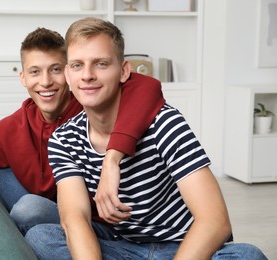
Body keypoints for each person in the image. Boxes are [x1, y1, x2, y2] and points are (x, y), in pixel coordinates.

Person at [24, 17, 267, 259]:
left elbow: (215, 222)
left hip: (182, 245)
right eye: (77, 65)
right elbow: (75, 219)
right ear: (67, 74)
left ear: (123, 71)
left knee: (247, 255)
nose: (87, 75)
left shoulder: (164, 123)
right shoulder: (64, 139)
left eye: (101, 64)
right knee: (42, 237)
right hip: (123, 247)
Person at [0, 27, 165, 259]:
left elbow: (147, 85)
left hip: (103, 222)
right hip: (56, 213)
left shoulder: (92, 106)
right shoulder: (12, 126)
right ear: (23, 77)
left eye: (56, 69)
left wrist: (112, 159)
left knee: (28, 209)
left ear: (70, 72)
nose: (46, 82)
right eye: (35, 72)